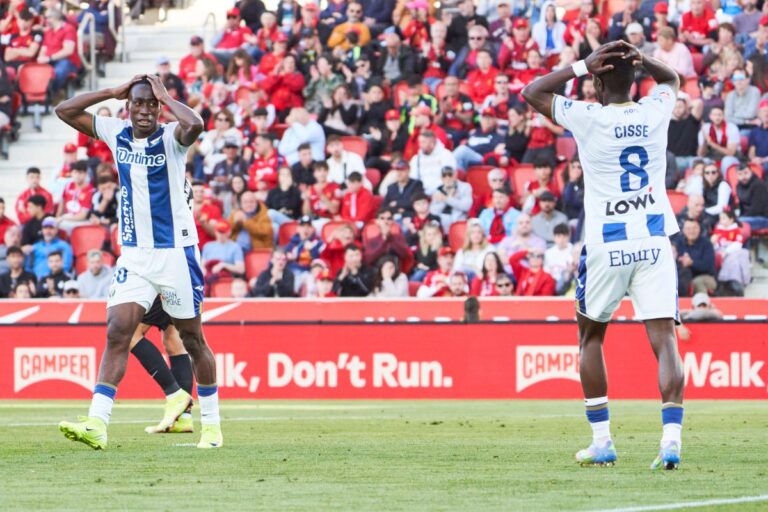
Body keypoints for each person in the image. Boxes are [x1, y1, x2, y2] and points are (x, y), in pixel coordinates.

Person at [522, 40, 685, 469]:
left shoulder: (587, 115)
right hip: (653, 241)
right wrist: (640, 57)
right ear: (635, 79)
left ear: (595, 81)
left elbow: (532, 91)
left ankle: (602, 441)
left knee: (591, 337)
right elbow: (672, 78)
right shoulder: (654, 110)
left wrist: (579, 65)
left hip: (607, 243)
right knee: (664, 338)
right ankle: (671, 441)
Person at [55, 74, 222, 449]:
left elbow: (194, 124)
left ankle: (211, 424)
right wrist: (112, 92)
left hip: (177, 254)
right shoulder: (117, 132)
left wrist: (165, 95)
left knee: (193, 340)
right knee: (117, 331)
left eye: (152, 104)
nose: (145, 110)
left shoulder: (171, 138)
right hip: (135, 254)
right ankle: (97, 423)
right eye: (138, 103)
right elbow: (64, 110)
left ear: (160, 107)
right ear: (127, 107)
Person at [674, 218, 717, 295]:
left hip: (706, 277)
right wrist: (680, 261)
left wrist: (691, 263)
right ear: (683, 230)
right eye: (688, 228)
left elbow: (708, 266)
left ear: (699, 229)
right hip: (684, 276)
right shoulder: (678, 243)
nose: (691, 231)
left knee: (697, 282)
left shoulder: (706, 244)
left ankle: (702, 305)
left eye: (694, 228)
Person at [408, 130, 457, 195]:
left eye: (423, 142)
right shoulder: (416, 159)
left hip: (441, 192)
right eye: (420, 142)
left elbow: (450, 177)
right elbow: (413, 178)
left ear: (432, 143)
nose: (420, 145)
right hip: (422, 194)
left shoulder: (446, 155)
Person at [428, 166, 473, 233]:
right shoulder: (439, 190)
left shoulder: (465, 187)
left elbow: (467, 206)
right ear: (441, 178)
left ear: (455, 175)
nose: (447, 178)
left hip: (459, 222)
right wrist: (445, 196)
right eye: (444, 176)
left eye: (450, 175)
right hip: (442, 225)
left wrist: (447, 199)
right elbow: (433, 211)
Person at [697, 106, 740, 172]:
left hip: (731, 157)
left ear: (723, 116)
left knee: (726, 160)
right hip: (712, 156)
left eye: (719, 115)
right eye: (714, 115)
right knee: (699, 161)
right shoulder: (705, 128)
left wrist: (712, 144)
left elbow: (731, 153)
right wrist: (704, 141)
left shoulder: (731, 128)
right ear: (710, 116)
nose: (717, 118)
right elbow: (700, 154)